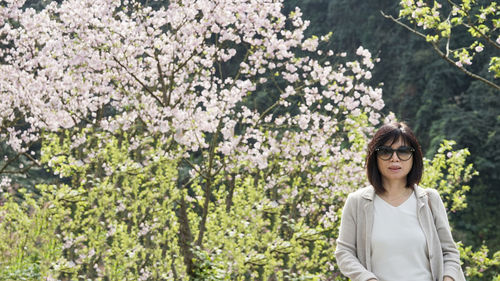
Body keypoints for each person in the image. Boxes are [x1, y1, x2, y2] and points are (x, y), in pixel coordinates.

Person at [335, 122, 466, 281]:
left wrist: (448, 278)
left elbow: (450, 252)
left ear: (414, 157)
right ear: (375, 157)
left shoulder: (430, 199)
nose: (394, 158)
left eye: (403, 151)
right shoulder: (357, 202)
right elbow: (344, 252)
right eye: (385, 151)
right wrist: (368, 279)